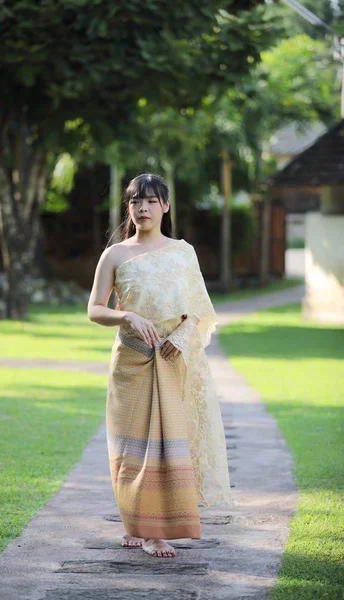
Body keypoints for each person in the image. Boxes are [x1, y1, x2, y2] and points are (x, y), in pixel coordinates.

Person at [87, 173, 233, 559]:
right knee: (128, 447)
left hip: (171, 359)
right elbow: (95, 309)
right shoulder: (116, 254)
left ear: (165, 206)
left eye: (152, 201)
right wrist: (126, 318)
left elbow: (199, 311)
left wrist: (178, 341)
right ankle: (135, 524)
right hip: (131, 361)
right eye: (136, 202)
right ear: (129, 208)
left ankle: (156, 532)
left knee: (167, 447)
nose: (143, 208)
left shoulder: (183, 252)